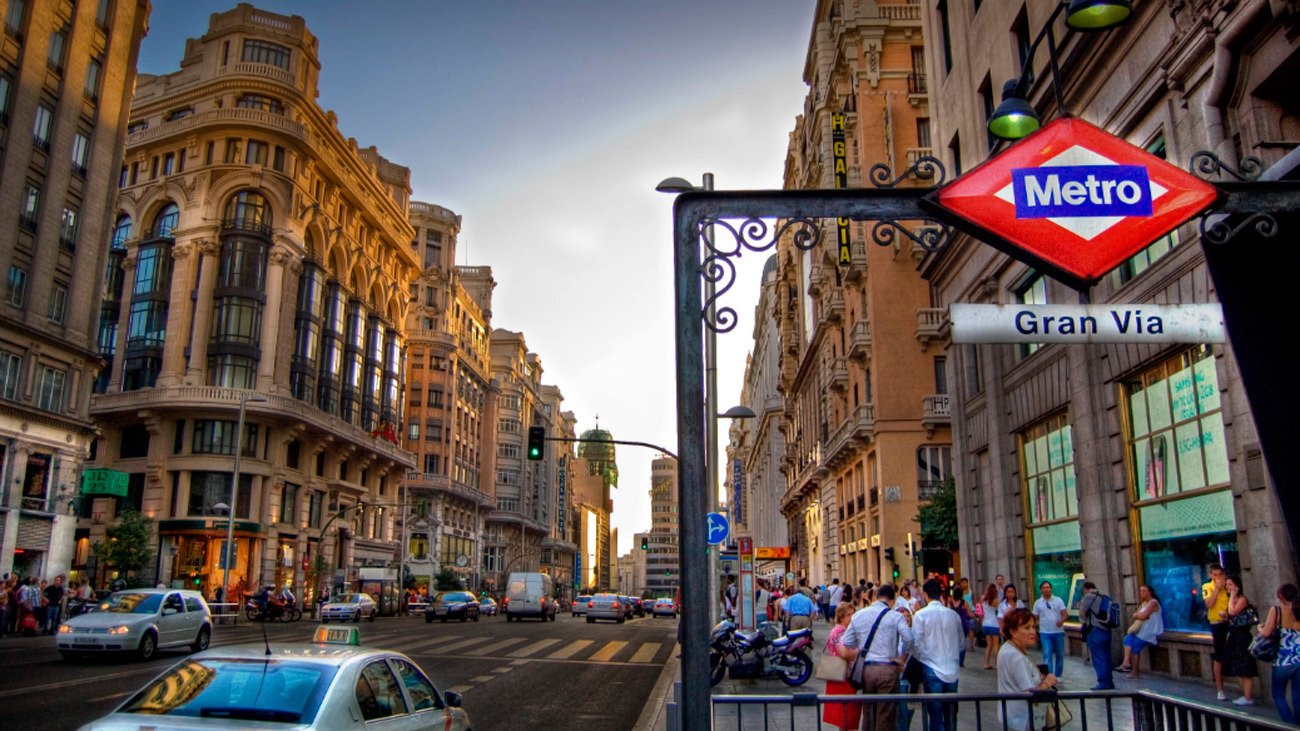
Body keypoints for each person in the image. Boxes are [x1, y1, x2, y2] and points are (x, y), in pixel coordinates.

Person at [836, 583, 914, 731]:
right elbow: (909, 639)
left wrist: (863, 646)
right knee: (886, 714)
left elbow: (847, 641)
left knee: (868, 712)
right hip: (888, 669)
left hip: (867, 670)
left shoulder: (859, 615)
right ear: (892, 601)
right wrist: (902, 659)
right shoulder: (895, 616)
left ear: (876, 598)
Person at [998, 608, 1059, 731]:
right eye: (1026, 628)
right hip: (1022, 720)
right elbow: (1030, 694)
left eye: (1033, 627)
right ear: (1013, 631)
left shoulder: (1008, 648)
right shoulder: (1016, 656)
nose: (1033, 632)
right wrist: (1048, 682)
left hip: (1012, 717)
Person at [913, 579, 963, 731]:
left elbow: (916, 644)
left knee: (935, 716)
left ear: (926, 595)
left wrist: (922, 657)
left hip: (931, 666)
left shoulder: (920, 615)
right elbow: (961, 643)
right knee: (951, 715)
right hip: (952, 669)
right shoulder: (953, 615)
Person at [1258, 583, 1300, 724]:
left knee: (1278, 695)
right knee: (1297, 695)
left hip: (1283, 660)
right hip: (1299, 660)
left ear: (1281, 596)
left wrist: (1260, 627)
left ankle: (1289, 724)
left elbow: (1266, 633)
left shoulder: (1277, 610)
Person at [822, 602, 862, 730]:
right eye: (847, 615)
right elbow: (843, 653)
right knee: (846, 713)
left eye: (852, 614)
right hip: (842, 674)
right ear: (841, 616)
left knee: (845, 715)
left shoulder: (844, 630)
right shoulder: (840, 631)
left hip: (842, 673)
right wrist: (859, 651)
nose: (851, 617)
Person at [1223, 574, 1258, 705]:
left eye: (1230, 585)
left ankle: (1248, 697)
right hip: (1234, 636)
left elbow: (1233, 611)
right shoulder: (1232, 599)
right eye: (1227, 585)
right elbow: (1232, 616)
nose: (1228, 587)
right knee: (1239, 668)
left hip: (1242, 637)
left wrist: (1232, 596)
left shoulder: (1241, 599)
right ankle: (1245, 695)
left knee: (1246, 667)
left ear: (1237, 586)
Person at [1117, 584, 1163, 678]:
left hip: (1150, 631)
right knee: (1128, 638)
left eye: (1144, 591)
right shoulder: (1144, 604)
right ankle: (1126, 662)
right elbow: (1135, 615)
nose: (1141, 593)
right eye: (1140, 591)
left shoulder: (1153, 603)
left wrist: (1140, 615)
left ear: (1149, 592)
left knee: (1136, 646)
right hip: (1141, 630)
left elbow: (1142, 616)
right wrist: (1140, 615)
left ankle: (1135, 671)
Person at [1078, 580, 1115, 690]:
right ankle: (1109, 681)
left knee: (1098, 658)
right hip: (1106, 630)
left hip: (1095, 630)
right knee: (1107, 657)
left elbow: (1082, 614)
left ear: (1085, 589)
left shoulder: (1089, 597)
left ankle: (1103, 682)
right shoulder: (1104, 596)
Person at [1203, 564, 1232, 700]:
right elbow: (1209, 604)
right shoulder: (1207, 587)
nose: (1218, 578)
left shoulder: (1228, 586)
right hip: (1217, 623)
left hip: (1230, 621)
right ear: (1210, 576)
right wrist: (1216, 588)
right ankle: (1220, 689)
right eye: (1215, 575)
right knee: (1219, 655)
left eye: (1220, 575)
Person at [1033, 580, 1068, 679]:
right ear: (1041, 590)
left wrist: (1061, 621)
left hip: (1058, 632)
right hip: (1045, 632)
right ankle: (1049, 675)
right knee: (1047, 654)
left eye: (1048, 587)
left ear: (1051, 588)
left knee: (1059, 655)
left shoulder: (1058, 600)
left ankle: (1058, 675)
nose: (1046, 590)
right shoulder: (1038, 603)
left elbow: (1065, 614)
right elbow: (1034, 617)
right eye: (1044, 588)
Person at [979, 582, 1001, 669]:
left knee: (988, 645)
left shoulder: (984, 600)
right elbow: (999, 611)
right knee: (996, 645)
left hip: (985, 623)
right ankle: (996, 663)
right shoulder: (996, 601)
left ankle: (986, 663)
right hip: (994, 624)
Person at [950, 586, 972, 666]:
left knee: (953, 642)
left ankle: (953, 658)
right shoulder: (964, 603)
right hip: (962, 624)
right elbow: (969, 614)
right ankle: (961, 661)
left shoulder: (950, 603)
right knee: (962, 643)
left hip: (952, 624)